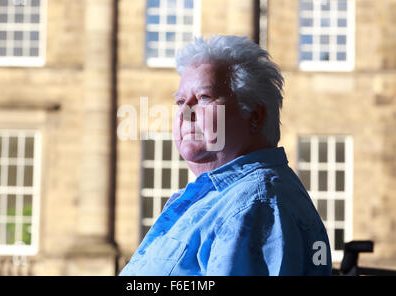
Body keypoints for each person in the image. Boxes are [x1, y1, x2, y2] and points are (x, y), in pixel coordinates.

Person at [119, 35, 332, 276]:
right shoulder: (226, 198)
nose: (184, 113)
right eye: (180, 101)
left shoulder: (254, 205)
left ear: (254, 116)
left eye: (204, 98)